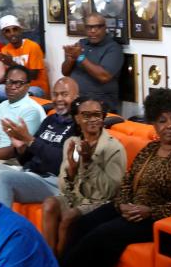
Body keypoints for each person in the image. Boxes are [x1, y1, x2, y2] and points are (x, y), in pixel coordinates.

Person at [61, 87, 171, 267]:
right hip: (128, 208)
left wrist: (150, 211)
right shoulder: (150, 149)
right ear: (154, 125)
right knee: (82, 224)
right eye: (162, 121)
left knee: (103, 234)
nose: (170, 125)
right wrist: (122, 204)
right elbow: (127, 181)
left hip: (156, 218)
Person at [0, 76, 78, 209]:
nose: (59, 99)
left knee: (1, 178)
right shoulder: (50, 120)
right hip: (29, 172)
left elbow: (61, 163)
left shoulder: (78, 125)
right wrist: (21, 149)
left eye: (64, 94)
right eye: (55, 94)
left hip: (53, 181)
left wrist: (30, 140)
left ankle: (3, 227)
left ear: (76, 97)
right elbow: (27, 160)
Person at [42, 97, 125, 256]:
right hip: (75, 197)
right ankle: (48, 260)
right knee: (49, 204)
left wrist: (88, 163)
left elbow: (111, 191)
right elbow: (64, 188)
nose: (93, 119)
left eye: (97, 115)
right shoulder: (72, 143)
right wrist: (72, 171)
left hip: (99, 202)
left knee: (69, 217)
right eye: (87, 115)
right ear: (77, 119)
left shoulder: (113, 147)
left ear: (102, 118)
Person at [62, 13, 123, 113]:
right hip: (75, 100)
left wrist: (80, 57)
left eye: (97, 27)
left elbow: (103, 76)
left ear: (104, 28)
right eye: (89, 27)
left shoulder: (113, 48)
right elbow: (65, 72)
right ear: (85, 29)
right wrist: (70, 58)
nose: (93, 31)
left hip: (99, 104)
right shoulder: (81, 44)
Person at [0, 15, 48, 98]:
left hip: (35, 88)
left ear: (20, 30)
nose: (12, 33)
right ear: (3, 34)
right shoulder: (4, 50)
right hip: (15, 88)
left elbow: (33, 76)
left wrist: (12, 63)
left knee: (21, 95)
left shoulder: (33, 46)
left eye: (15, 29)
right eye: (7, 31)